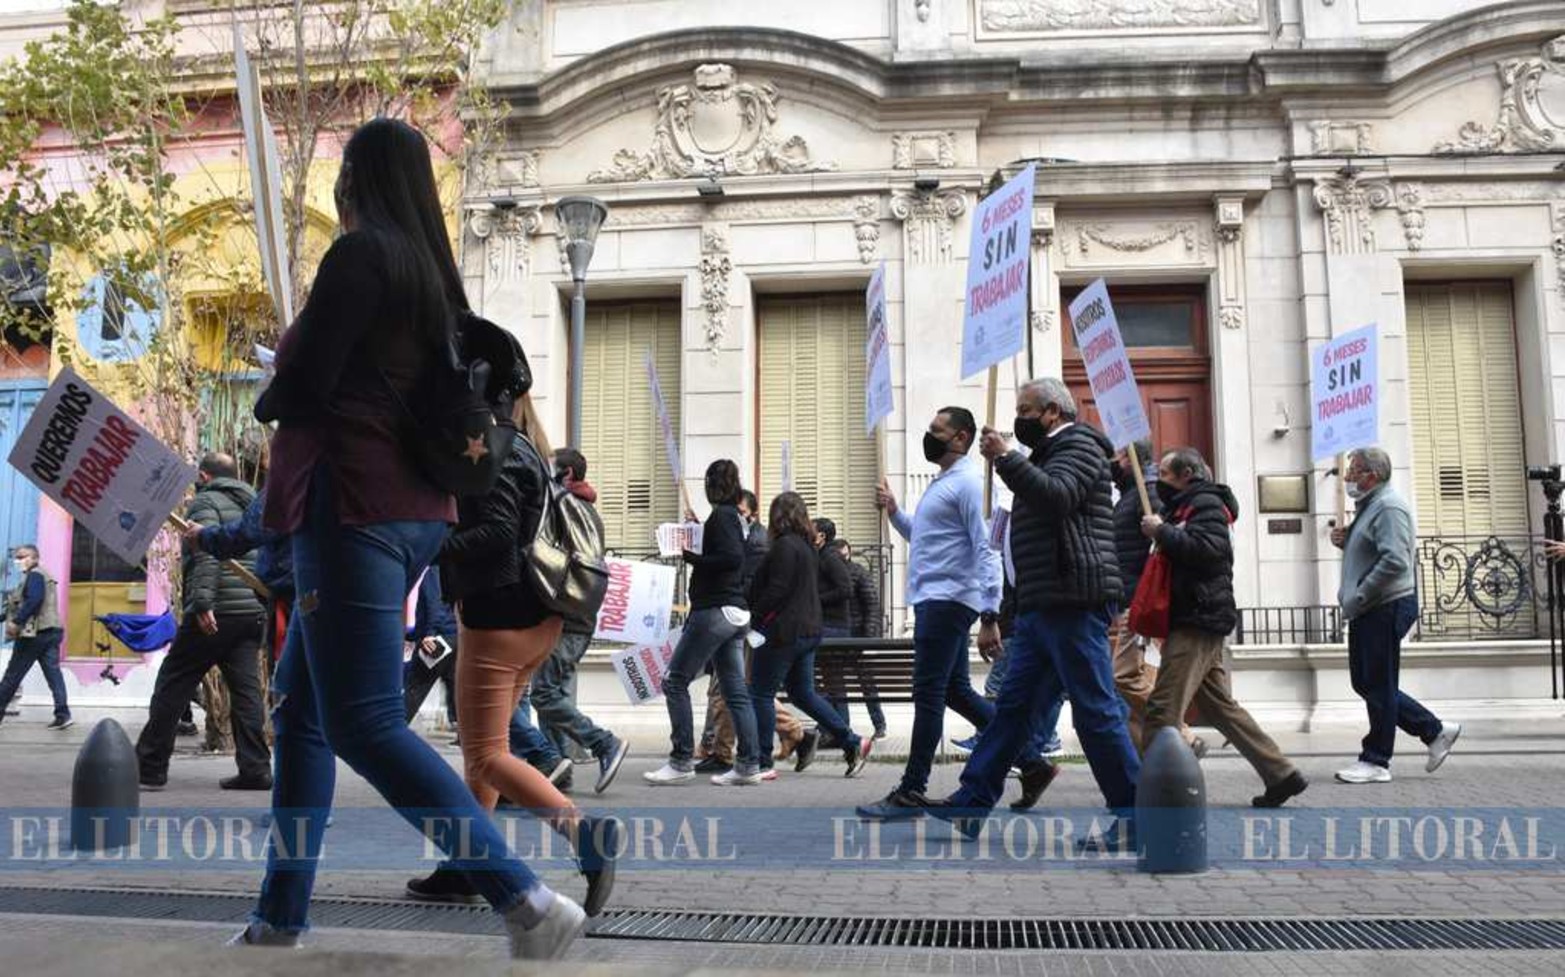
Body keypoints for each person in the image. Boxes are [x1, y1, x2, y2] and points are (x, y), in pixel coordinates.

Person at [242, 118, 585, 958]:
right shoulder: (433, 276)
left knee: (361, 723)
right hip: (414, 514)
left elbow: (302, 387)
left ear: (357, 181)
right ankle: (278, 915)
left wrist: (269, 384)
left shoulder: (362, 257)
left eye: (343, 176)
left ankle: (525, 899)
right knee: (304, 717)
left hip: (351, 505)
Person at [412, 390, 619, 914]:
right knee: (486, 752)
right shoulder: (527, 446)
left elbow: (499, 533)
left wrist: (428, 548)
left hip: (499, 618)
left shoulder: (493, 448)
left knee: (485, 754)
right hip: (534, 621)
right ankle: (466, 866)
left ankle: (583, 835)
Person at [927, 380, 1141, 847]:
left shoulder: (1081, 445)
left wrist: (1005, 457)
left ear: (1050, 411)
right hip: (1043, 606)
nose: (1018, 417)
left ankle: (1136, 817)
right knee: (1013, 710)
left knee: (1095, 710)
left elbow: (1057, 496)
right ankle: (972, 801)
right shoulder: (1046, 452)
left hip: (1073, 599)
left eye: (1025, 409)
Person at [857, 406, 1007, 821]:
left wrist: (990, 613)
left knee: (928, 695)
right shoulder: (945, 483)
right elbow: (924, 537)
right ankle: (1029, 757)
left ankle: (912, 789)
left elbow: (986, 548)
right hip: (936, 600)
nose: (929, 436)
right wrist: (894, 513)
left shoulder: (971, 484)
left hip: (947, 603)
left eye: (936, 430)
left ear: (960, 438)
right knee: (957, 692)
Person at [1140, 448, 1307, 808]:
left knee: (1162, 710)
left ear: (1186, 473)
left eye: (1165, 475)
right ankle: (1280, 774)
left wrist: (1163, 532)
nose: (1159, 483)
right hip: (1197, 615)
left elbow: (1209, 551)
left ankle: (1151, 799)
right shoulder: (1190, 505)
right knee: (1218, 706)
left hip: (1197, 618)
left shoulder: (1205, 504)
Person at [137, 452, 271, 792]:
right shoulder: (254, 502)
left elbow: (208, 552)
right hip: (250, 612)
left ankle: (149, 768)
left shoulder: (205, 501)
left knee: (173, 682)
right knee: (246, 694)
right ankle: (256, 769)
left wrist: (202, 602)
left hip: (216, 611)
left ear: (204, 476)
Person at [1330, 446, 1461, 784]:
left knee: (1377, 683)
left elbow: (1396, 561)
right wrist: (1347, 541)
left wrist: (1361, 593)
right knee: (1368, 682)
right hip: (1371, 606)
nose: (1347, 478)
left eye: (1353, 472)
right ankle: (1434, 731)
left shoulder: (1388, 507)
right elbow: (1376, 550)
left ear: (1371, 476)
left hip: (1383, 605)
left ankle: (1376, 760)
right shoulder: (1372, 507)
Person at [646, 460, 764, 786]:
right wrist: (699, 531)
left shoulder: (724, 516)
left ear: (712, 483)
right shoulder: (730, 517)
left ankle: (681, 760)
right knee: (735, 691)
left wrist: (691, 556)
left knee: (674, 681)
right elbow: (727, 551)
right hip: (734, 613)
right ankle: (748, 765)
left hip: (713, 610)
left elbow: (730, 559)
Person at [749, 492, 875, 779]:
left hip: (783, 632)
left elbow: (778, 590)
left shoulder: (783, 547)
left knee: (760, 693)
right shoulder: (808, 549)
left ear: (777, 516)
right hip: (809, 632)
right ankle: (853, 741)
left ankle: (761, 763)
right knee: (803, 693)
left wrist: (754, 617)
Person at [528, 447, 630, 795]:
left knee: (542, 695)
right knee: (551, 692)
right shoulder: (583, 509)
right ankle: (558, 769)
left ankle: (604, 744)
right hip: (575, 617)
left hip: (570, 618)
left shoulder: (569, 507)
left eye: (552, 467)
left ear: (567, 473)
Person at [1108, 439, 1202, 756]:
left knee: (1126, 678)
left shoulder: (1147, 490)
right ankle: (1148, 767)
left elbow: (1167, 534)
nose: (1112, 460)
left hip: (1140, 601)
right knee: (1134, 691)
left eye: (1117, 454)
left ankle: (1182, 735)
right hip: (1129, 597)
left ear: (1130, 456)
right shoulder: (1128, 494)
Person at [0, 544, 69, 729]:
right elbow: (19, 604)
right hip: (52, 631)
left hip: (34, 634)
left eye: (23, 556)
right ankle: (63, 714)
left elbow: (34, 600)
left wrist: (17, 621)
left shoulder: (35, 575)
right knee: (54, 675)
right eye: (17, 557)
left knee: (12, 674)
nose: (19, 561)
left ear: (35, 558)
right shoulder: (43, 576)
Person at [827, 537, 888, 740]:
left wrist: (868, 639)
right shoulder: (856, 572)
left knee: (863, 683)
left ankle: (877, 724)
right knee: (859, 684)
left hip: (856, 637)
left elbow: (871, 606)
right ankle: (871, 725)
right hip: (852, 636)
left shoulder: (856, 572)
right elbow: (872, 605)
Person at [404, 571, 459, 728]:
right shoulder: (451, 564)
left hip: (439, 637)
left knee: (415, 687)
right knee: (455, 685)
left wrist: (429, 633)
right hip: (454, 634)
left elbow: (433, 601)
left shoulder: (433, 569)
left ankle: (391, 731)